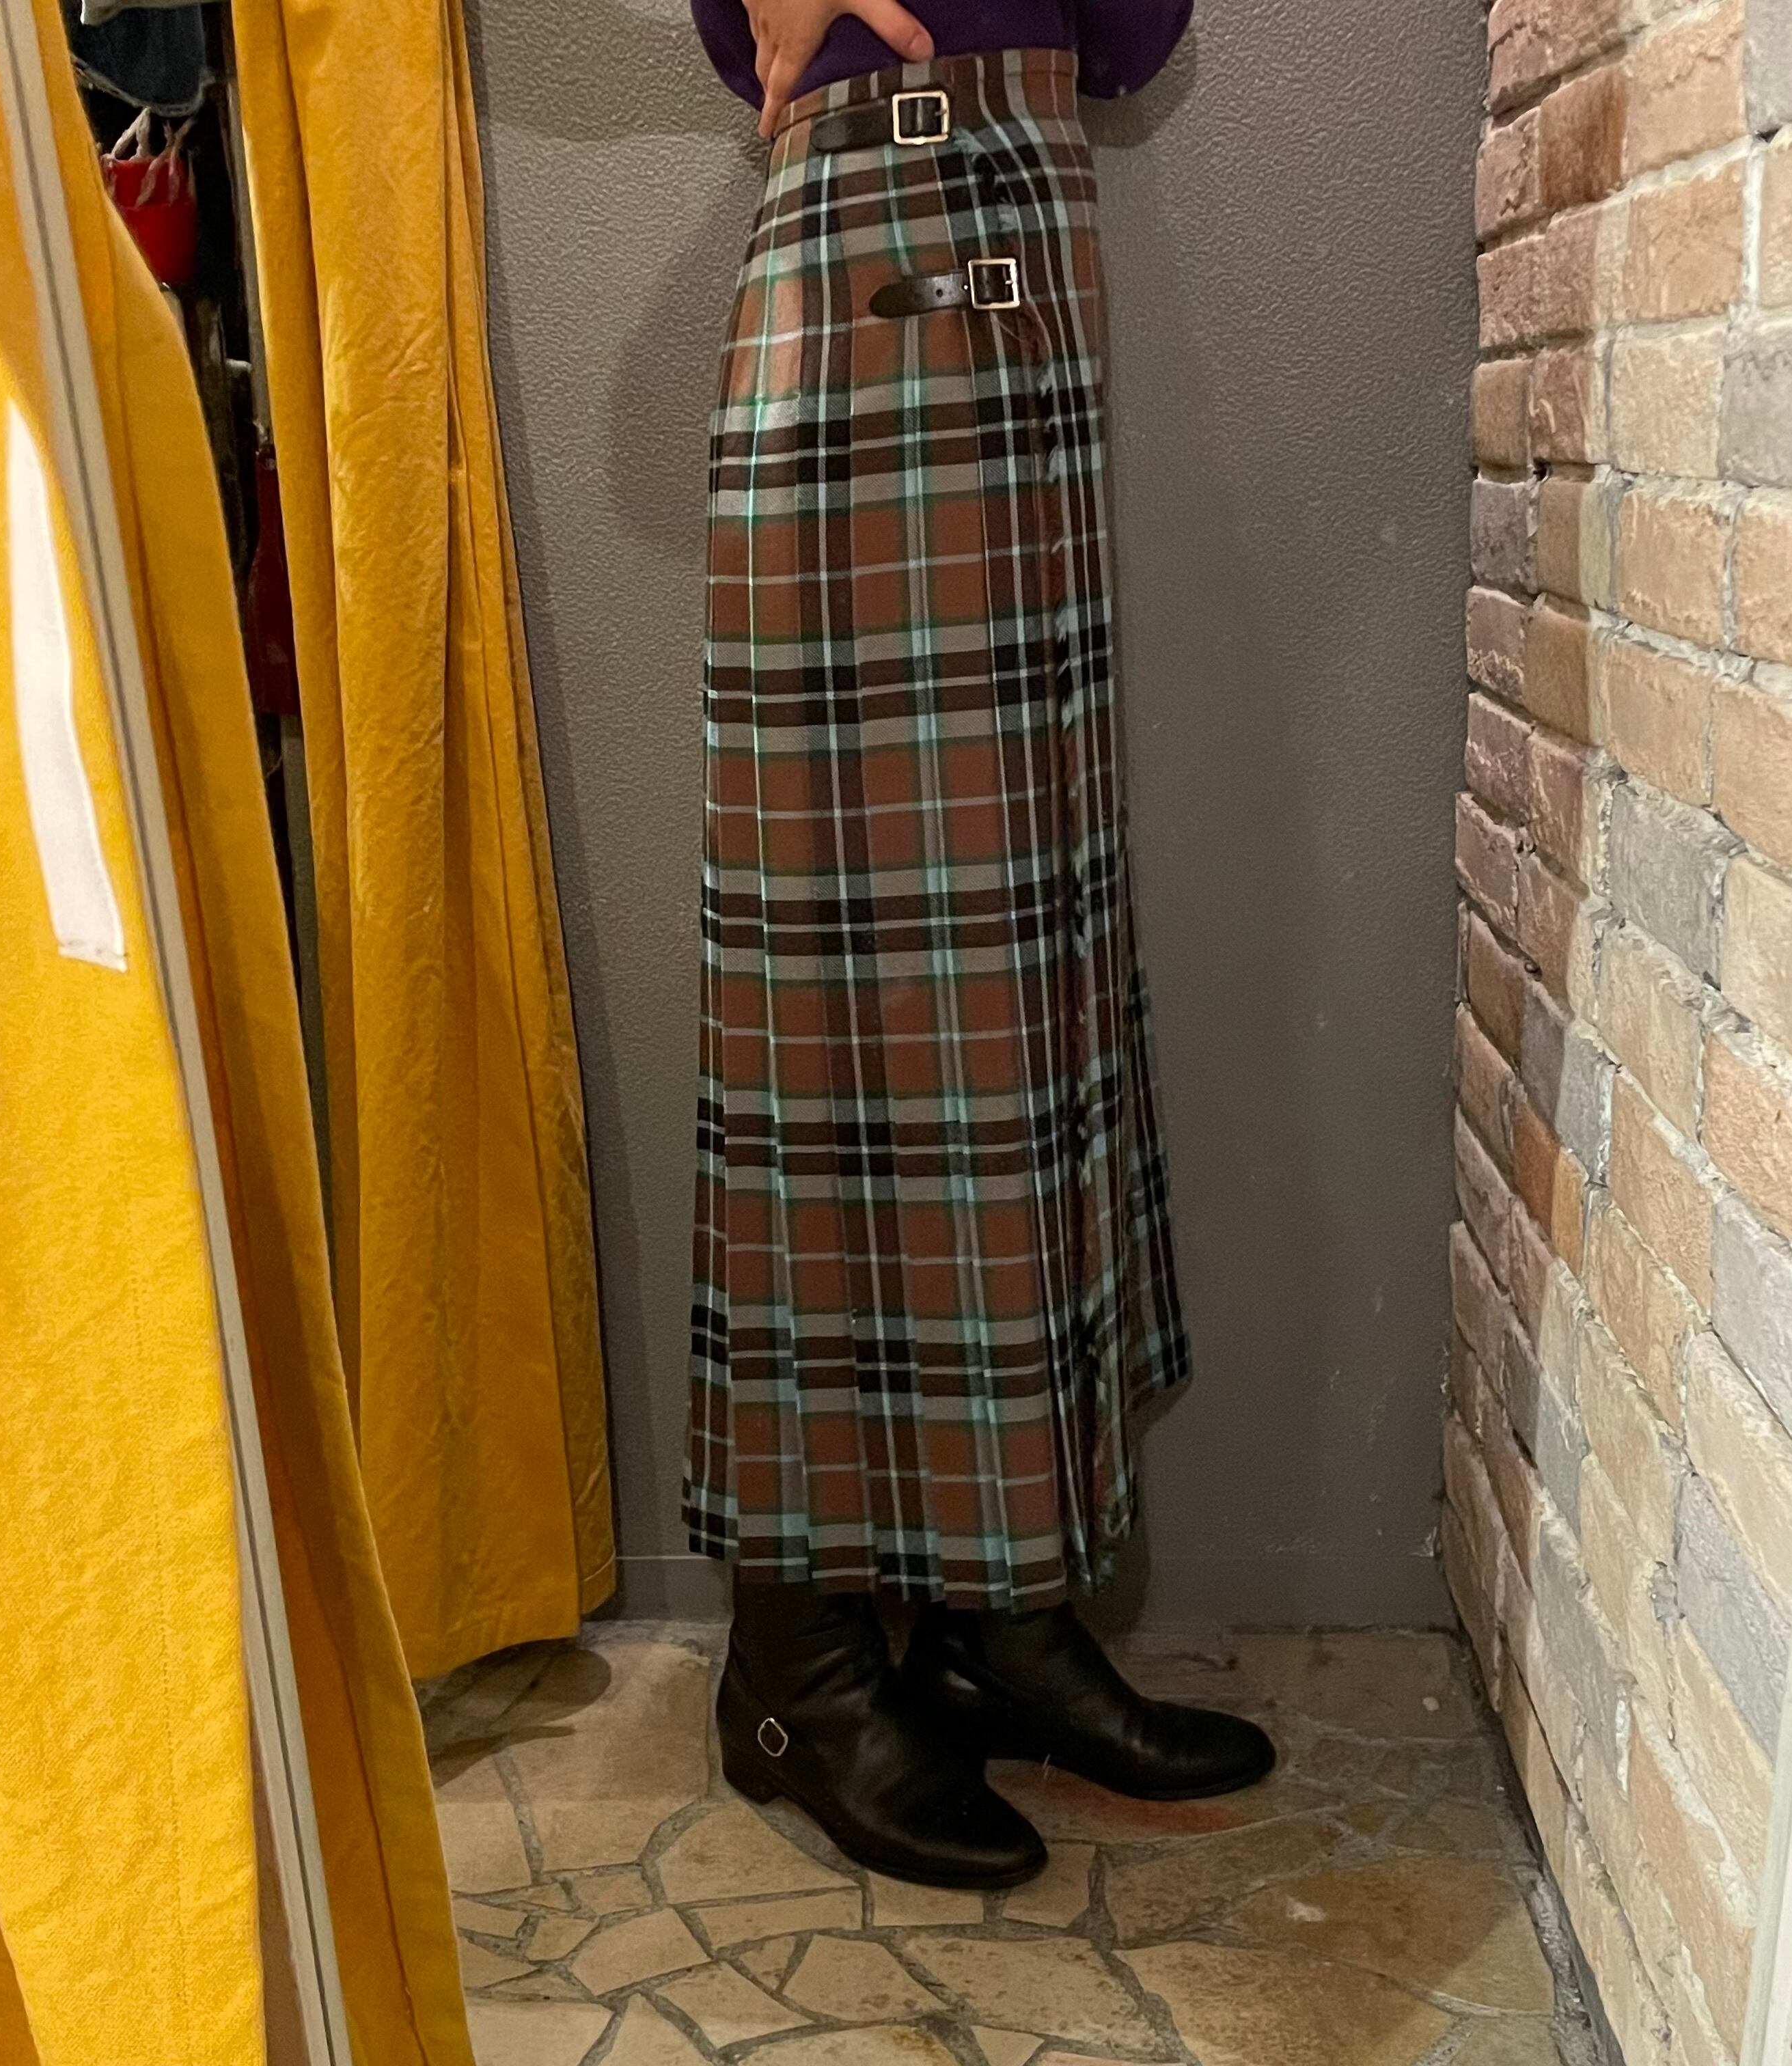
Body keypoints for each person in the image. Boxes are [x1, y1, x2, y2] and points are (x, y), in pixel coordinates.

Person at [685, 0, 1273, 1889]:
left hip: (1026, 231)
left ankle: (996, 1601)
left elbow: (1132, 30)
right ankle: (794, 1662)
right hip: (871, 241)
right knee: (836, 970)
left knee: (1020, 977)